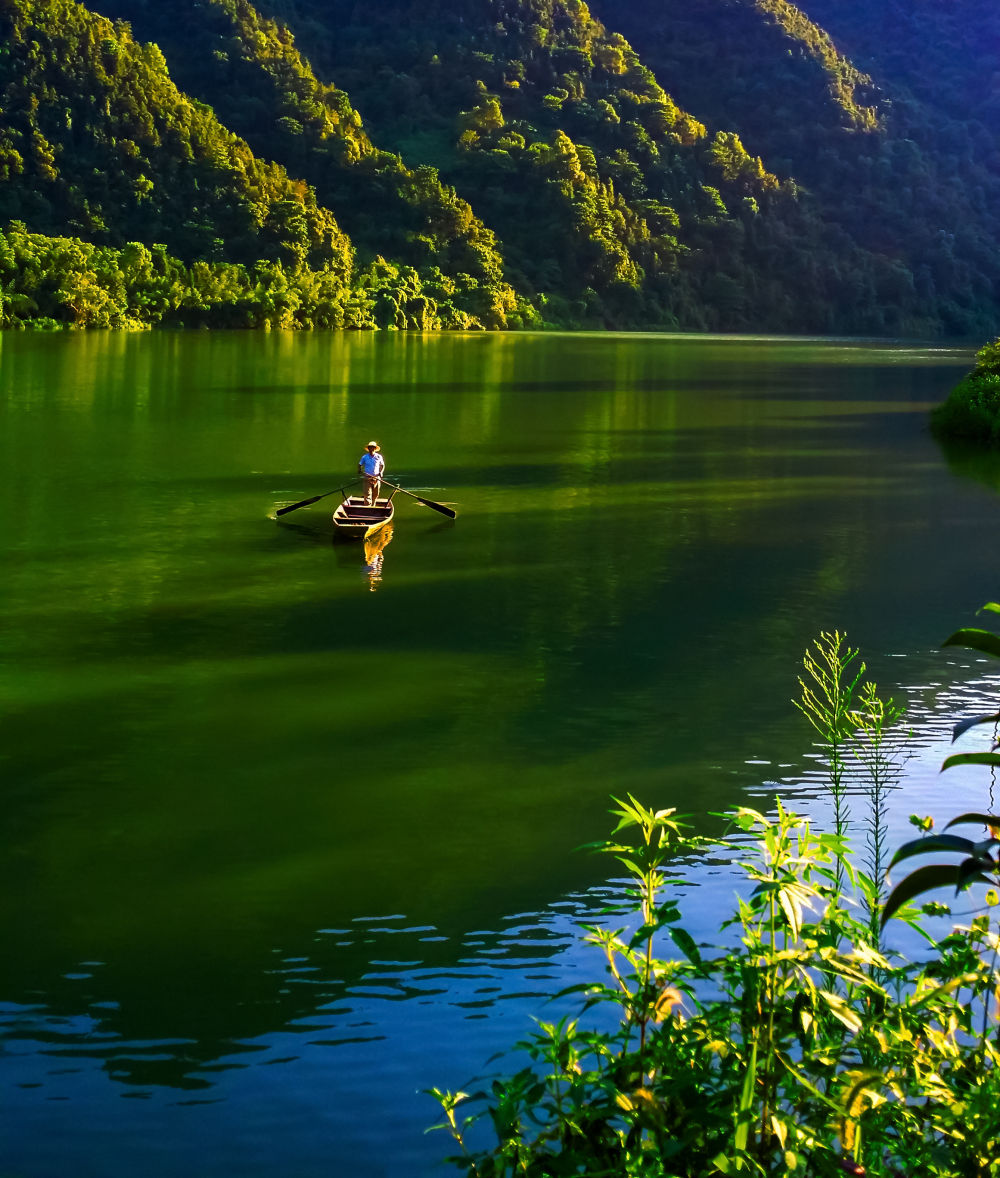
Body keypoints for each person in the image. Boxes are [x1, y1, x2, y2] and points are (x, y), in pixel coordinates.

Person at [357, 440, 385, 506]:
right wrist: (359, 470)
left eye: (372, 447)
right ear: (368, 448)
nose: (371, 449)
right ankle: (367, 507)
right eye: (370, 447)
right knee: (367, 494)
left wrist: (381, 472)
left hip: (376, 478)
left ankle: (373, 506)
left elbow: (382, 465)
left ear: (375, 448)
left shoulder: (379, 457)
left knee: (376, 494)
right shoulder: (364, 457)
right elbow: (359, 464)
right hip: (367, 478)